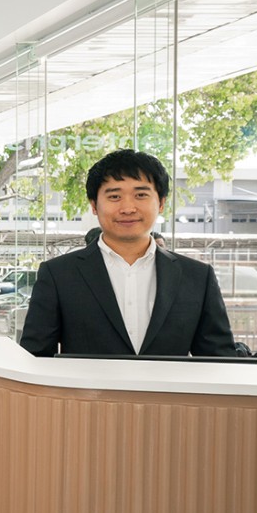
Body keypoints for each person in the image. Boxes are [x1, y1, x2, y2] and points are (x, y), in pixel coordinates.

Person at [19, 149, 234, 357]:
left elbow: (219, 361)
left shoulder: (197, 277)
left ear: (161, 203)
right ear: (94, 205)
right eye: (114, 196)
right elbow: (35, 358)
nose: (128, 208)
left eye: (141, 195)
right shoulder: (58, 274)